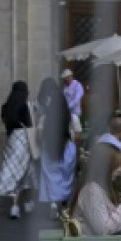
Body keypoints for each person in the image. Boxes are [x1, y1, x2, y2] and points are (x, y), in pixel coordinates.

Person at [0, 81, 35, 219]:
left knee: (13, 171)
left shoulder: (5, 107)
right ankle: (27, 203)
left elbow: (6, 124)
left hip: (11, 141)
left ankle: (14, 207)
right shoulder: (25, 106)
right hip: (23, 141)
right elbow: (29, 125)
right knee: (26, 171)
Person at [73, 143, 121, 235]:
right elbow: (104, 230)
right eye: (115, 165)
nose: (119, 170)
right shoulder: (91, 191)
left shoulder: (101, 188)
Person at [37, 80, 78, 217]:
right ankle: (64, 202)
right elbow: (77, 134)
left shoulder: (45, 118)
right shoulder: (72, 117)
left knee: (50, 176)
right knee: (66, 176)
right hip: (68, 148)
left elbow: (40, 134)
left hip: (49, 149)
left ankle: (53, 203)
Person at [61, 68, 84, 135]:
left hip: (75, 112)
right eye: (65, 79)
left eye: (67, 78)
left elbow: (77, 98)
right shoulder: (65, 87)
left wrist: (68, 106)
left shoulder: (77, 85)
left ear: (71, 76)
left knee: (76, 131)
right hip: (67, 113)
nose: (66, 80)